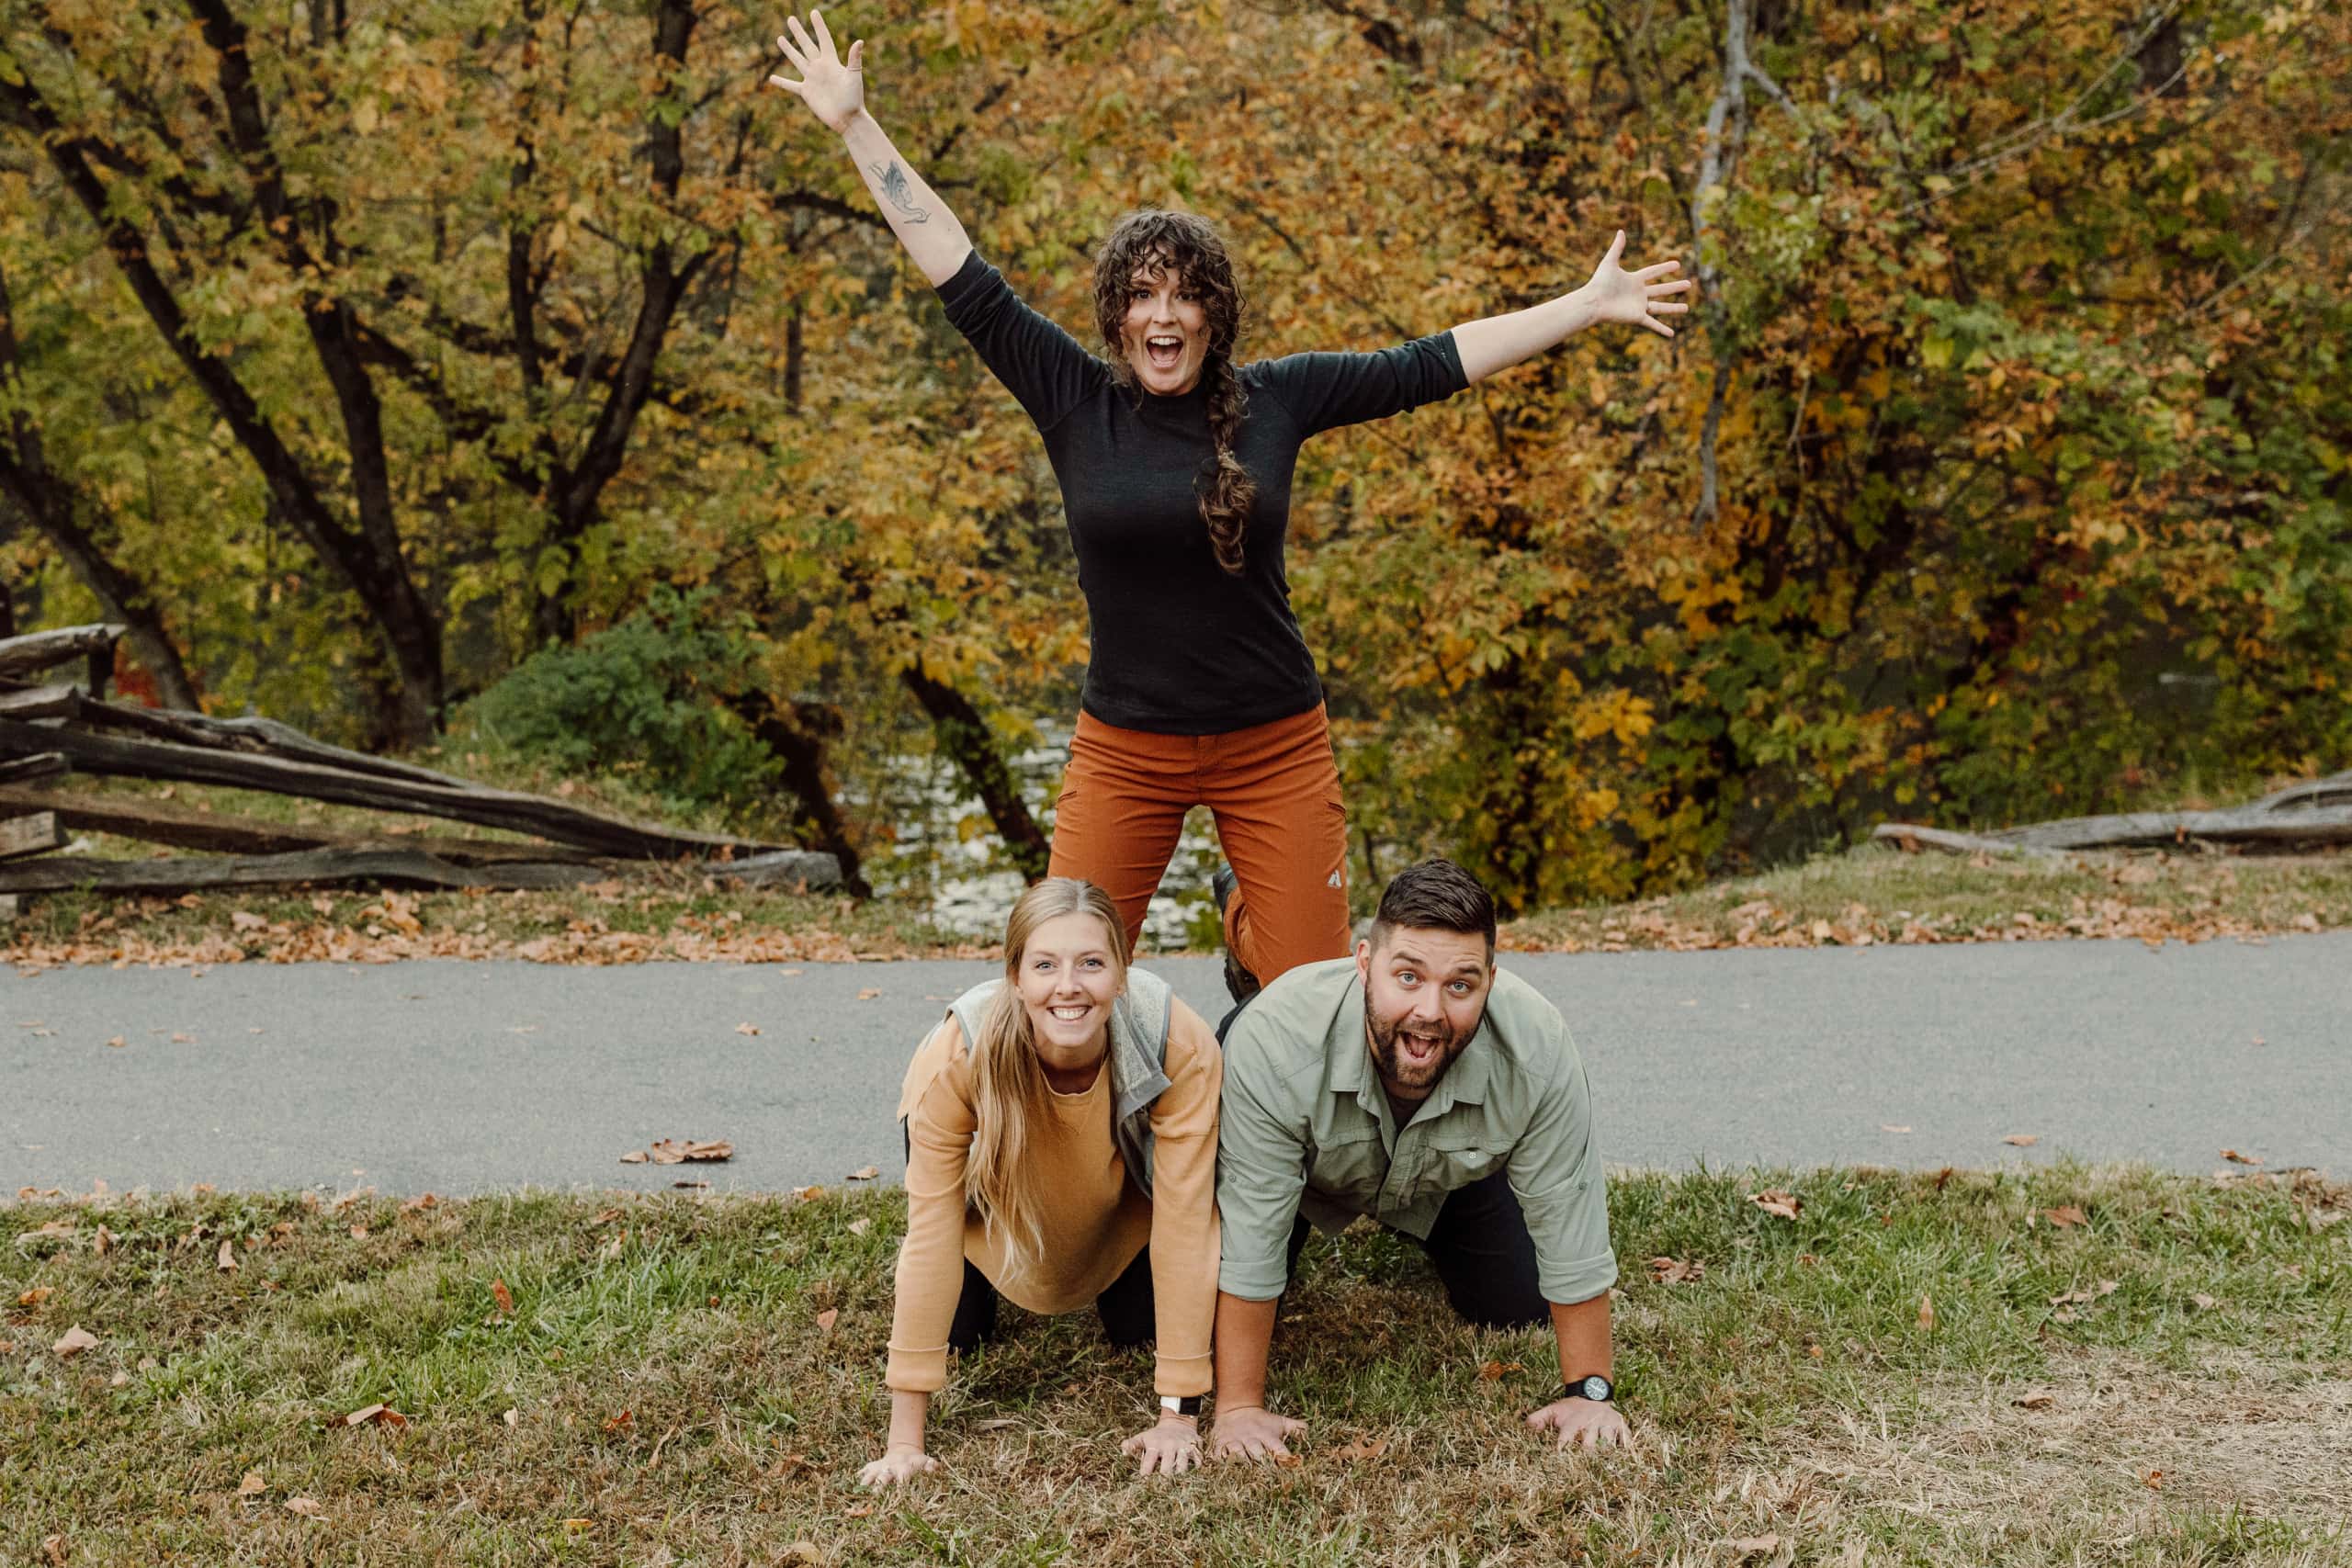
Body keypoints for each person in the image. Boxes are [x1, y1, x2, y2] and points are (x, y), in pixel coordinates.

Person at [767, 11, 1691, 1004]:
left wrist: (1583, 305)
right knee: (1061, 984)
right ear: (1117, 314)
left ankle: (1248, 927)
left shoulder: (1275, 402)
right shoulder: (1072, 398)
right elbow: (955, 266)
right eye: (1142, 297)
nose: (1162, 317)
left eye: (1183, 297)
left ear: (1213, 311)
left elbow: (1432, 362)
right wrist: (856, 125)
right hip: (1124, 745)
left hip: (1272, 739)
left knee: (1313, 1003)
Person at [1207, 857, 1630, 1458]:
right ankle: (1246, 944)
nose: (1430, 1009)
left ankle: (1416, 1213)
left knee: (1519, 1304)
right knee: (1167, 1314)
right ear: (1364, 963)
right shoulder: (1274, 1043)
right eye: (1407, 976)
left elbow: (1570, 1216)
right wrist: (1239, 1408)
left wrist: (1591, 1393)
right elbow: (1251, 1236)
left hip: (1440, 1169)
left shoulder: (1538, 1045)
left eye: (1459, 984)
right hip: (1302, 1159)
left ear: (1489, 980)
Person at [862, 877, 1223, 1485]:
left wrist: (1178, 1417)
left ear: (1122, 972)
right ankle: (982, 1284)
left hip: (1118, 1219)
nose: (1069, 986)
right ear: (1016, 976)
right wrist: (904, 1442)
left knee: (1138, 1331)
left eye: (1091, 963)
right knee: (960, 1336)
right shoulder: (957, 1053)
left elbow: (1188, 1224)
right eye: (1046, 964)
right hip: (992, 1220)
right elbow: (927, 1236)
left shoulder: (1175, 1041)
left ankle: (1106, 1277)